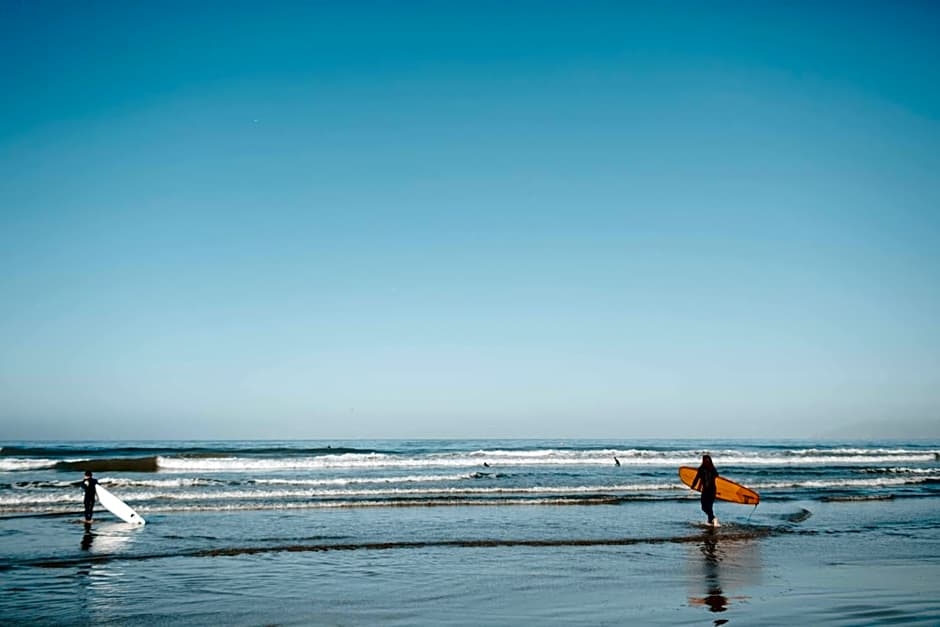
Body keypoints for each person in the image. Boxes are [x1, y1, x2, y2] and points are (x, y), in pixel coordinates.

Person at [691, 454, 719, 527]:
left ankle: (712, 518)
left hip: (708, 490)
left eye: (706, 460)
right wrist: (694, 486)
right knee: (707, 506)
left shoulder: (703, 469)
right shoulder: (711, 469)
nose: (706, 461)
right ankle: (711, 520)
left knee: (706, 507)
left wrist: (693, 486)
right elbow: (717, 478)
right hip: (710, 490)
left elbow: (697, 479)